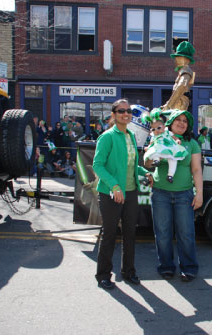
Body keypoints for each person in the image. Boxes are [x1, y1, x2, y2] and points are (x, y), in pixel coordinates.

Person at [92, 98, 153, 290]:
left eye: (128, 111)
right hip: (111, 193)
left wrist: (146, 173)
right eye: (121, 111)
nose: (126, 114)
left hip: (131, 191)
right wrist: (115, 187)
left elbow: (132, 166)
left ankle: (129, 271)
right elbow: (98, 166)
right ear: (114, 115)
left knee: (130, 233)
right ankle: (103, 275)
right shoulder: (107, 136)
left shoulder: (131, 137)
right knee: (109, 234)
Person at [144, 109, 203, 282]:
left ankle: (189, 267)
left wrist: (199, 193)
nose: (182, 123)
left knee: (186, 233)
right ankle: (166, 266)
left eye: (185, 121)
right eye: (179, 120)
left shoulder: (191, 143)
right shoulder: (159, 136)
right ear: (170, 122)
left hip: (184, 194)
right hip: (160, 193)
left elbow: (196, 169)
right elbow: (147, 162)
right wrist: (154, 158)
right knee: (162, 233)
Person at [142, 110, 188, 183]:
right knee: (155, 152)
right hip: (159, 149)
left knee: (173, 160)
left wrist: (177, 140)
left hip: (170, 149)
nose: (157, 130)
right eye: (154, 129)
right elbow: (151, 144)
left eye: (159, 127)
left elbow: (174, 137)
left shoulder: (167, 132)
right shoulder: (154, 136)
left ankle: (170, 175)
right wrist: (149, 147)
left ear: (164, 126)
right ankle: (156, 161)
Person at [163, 41, 195, 112]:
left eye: (178, 57)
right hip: (178, 101)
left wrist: (169, 105)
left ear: (184, 58)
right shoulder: (184, 71)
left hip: (179, 103)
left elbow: (182, 85)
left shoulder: (186, 70)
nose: (175, 60)